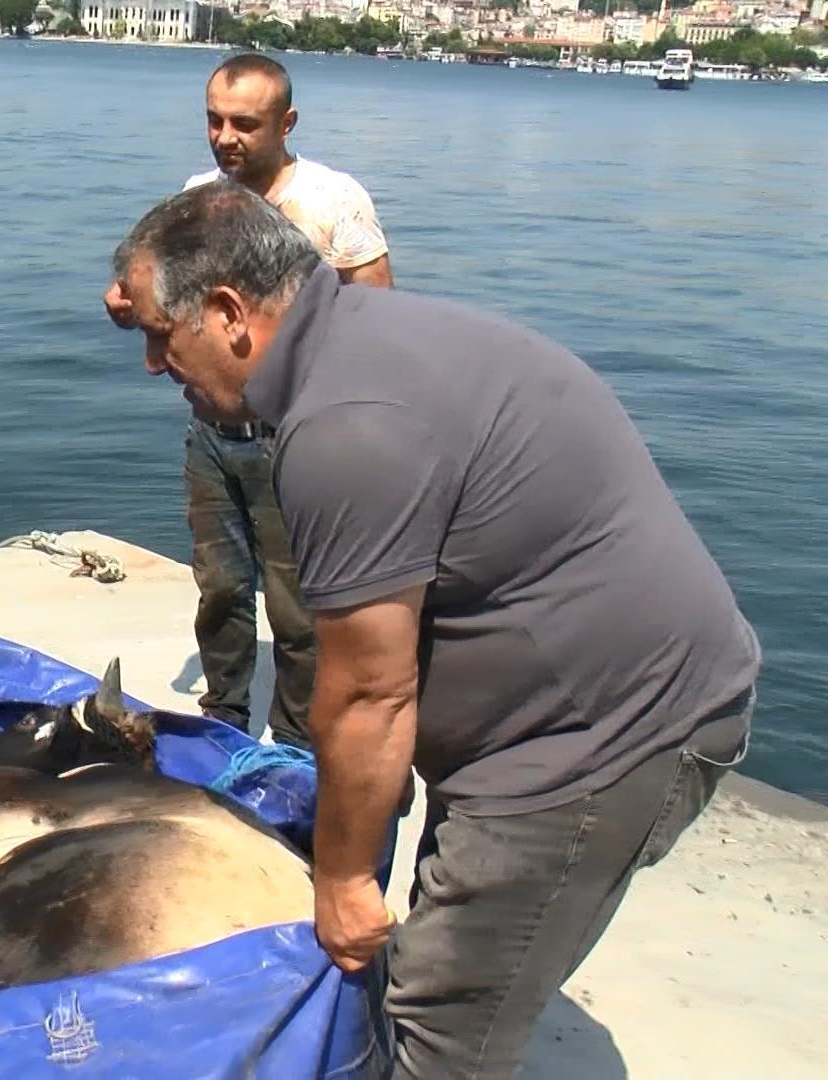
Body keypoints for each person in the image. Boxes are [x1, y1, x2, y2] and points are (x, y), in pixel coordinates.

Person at [107, 181, 759, 1078]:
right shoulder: (367, 339)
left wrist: (342, 881)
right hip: (566, 701)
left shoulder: (344, 430)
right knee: (423, 959)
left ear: (227, 314)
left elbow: (368, 695)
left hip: (597, 744)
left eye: (159, 334)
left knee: (438, 1033)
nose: (153, 363)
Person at [106, 53, 391, 750]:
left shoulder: (332, 200)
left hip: (293, 437)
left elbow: (376, 312)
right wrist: (127, 303)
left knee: (297, 607)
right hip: (212, 433)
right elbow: (158, 291)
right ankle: (223, 719)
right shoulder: (201, 196)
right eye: (214, 121)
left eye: (244, 124)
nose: (225, 138)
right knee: (221, 587)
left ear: (286, 123)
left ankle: (294, 743)